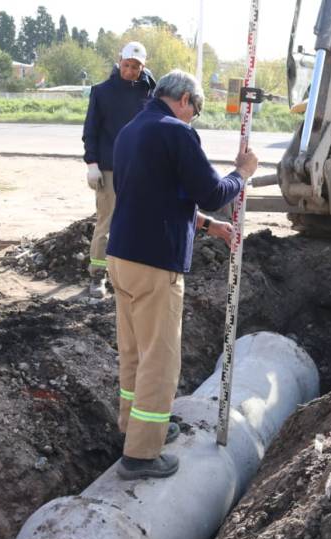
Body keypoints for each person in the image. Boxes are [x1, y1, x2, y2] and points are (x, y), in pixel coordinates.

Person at [106, 70, 258, 481]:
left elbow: (158, 193)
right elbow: (211, 191)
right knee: (160, 358)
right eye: (197, 110)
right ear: (186, 99)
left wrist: (209, 226)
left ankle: (135, 425)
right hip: (156, 261)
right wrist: (242, 173)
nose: (194, 119)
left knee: (134, 351)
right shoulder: (177, 132)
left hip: (122, 257)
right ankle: (140, 454)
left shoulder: (131, 131)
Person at [81, 41, 156, 299]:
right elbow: (90, 130)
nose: (130, 70)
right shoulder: (102, 92)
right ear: (119, 61)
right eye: (127, 65)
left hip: (141, 170)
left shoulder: (151, 92)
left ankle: (131, 277)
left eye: (136, 67)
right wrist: (92, 164)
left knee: (139, 224)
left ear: (143, 67)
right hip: (110, 169)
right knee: (107, 224)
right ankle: (97, 277)